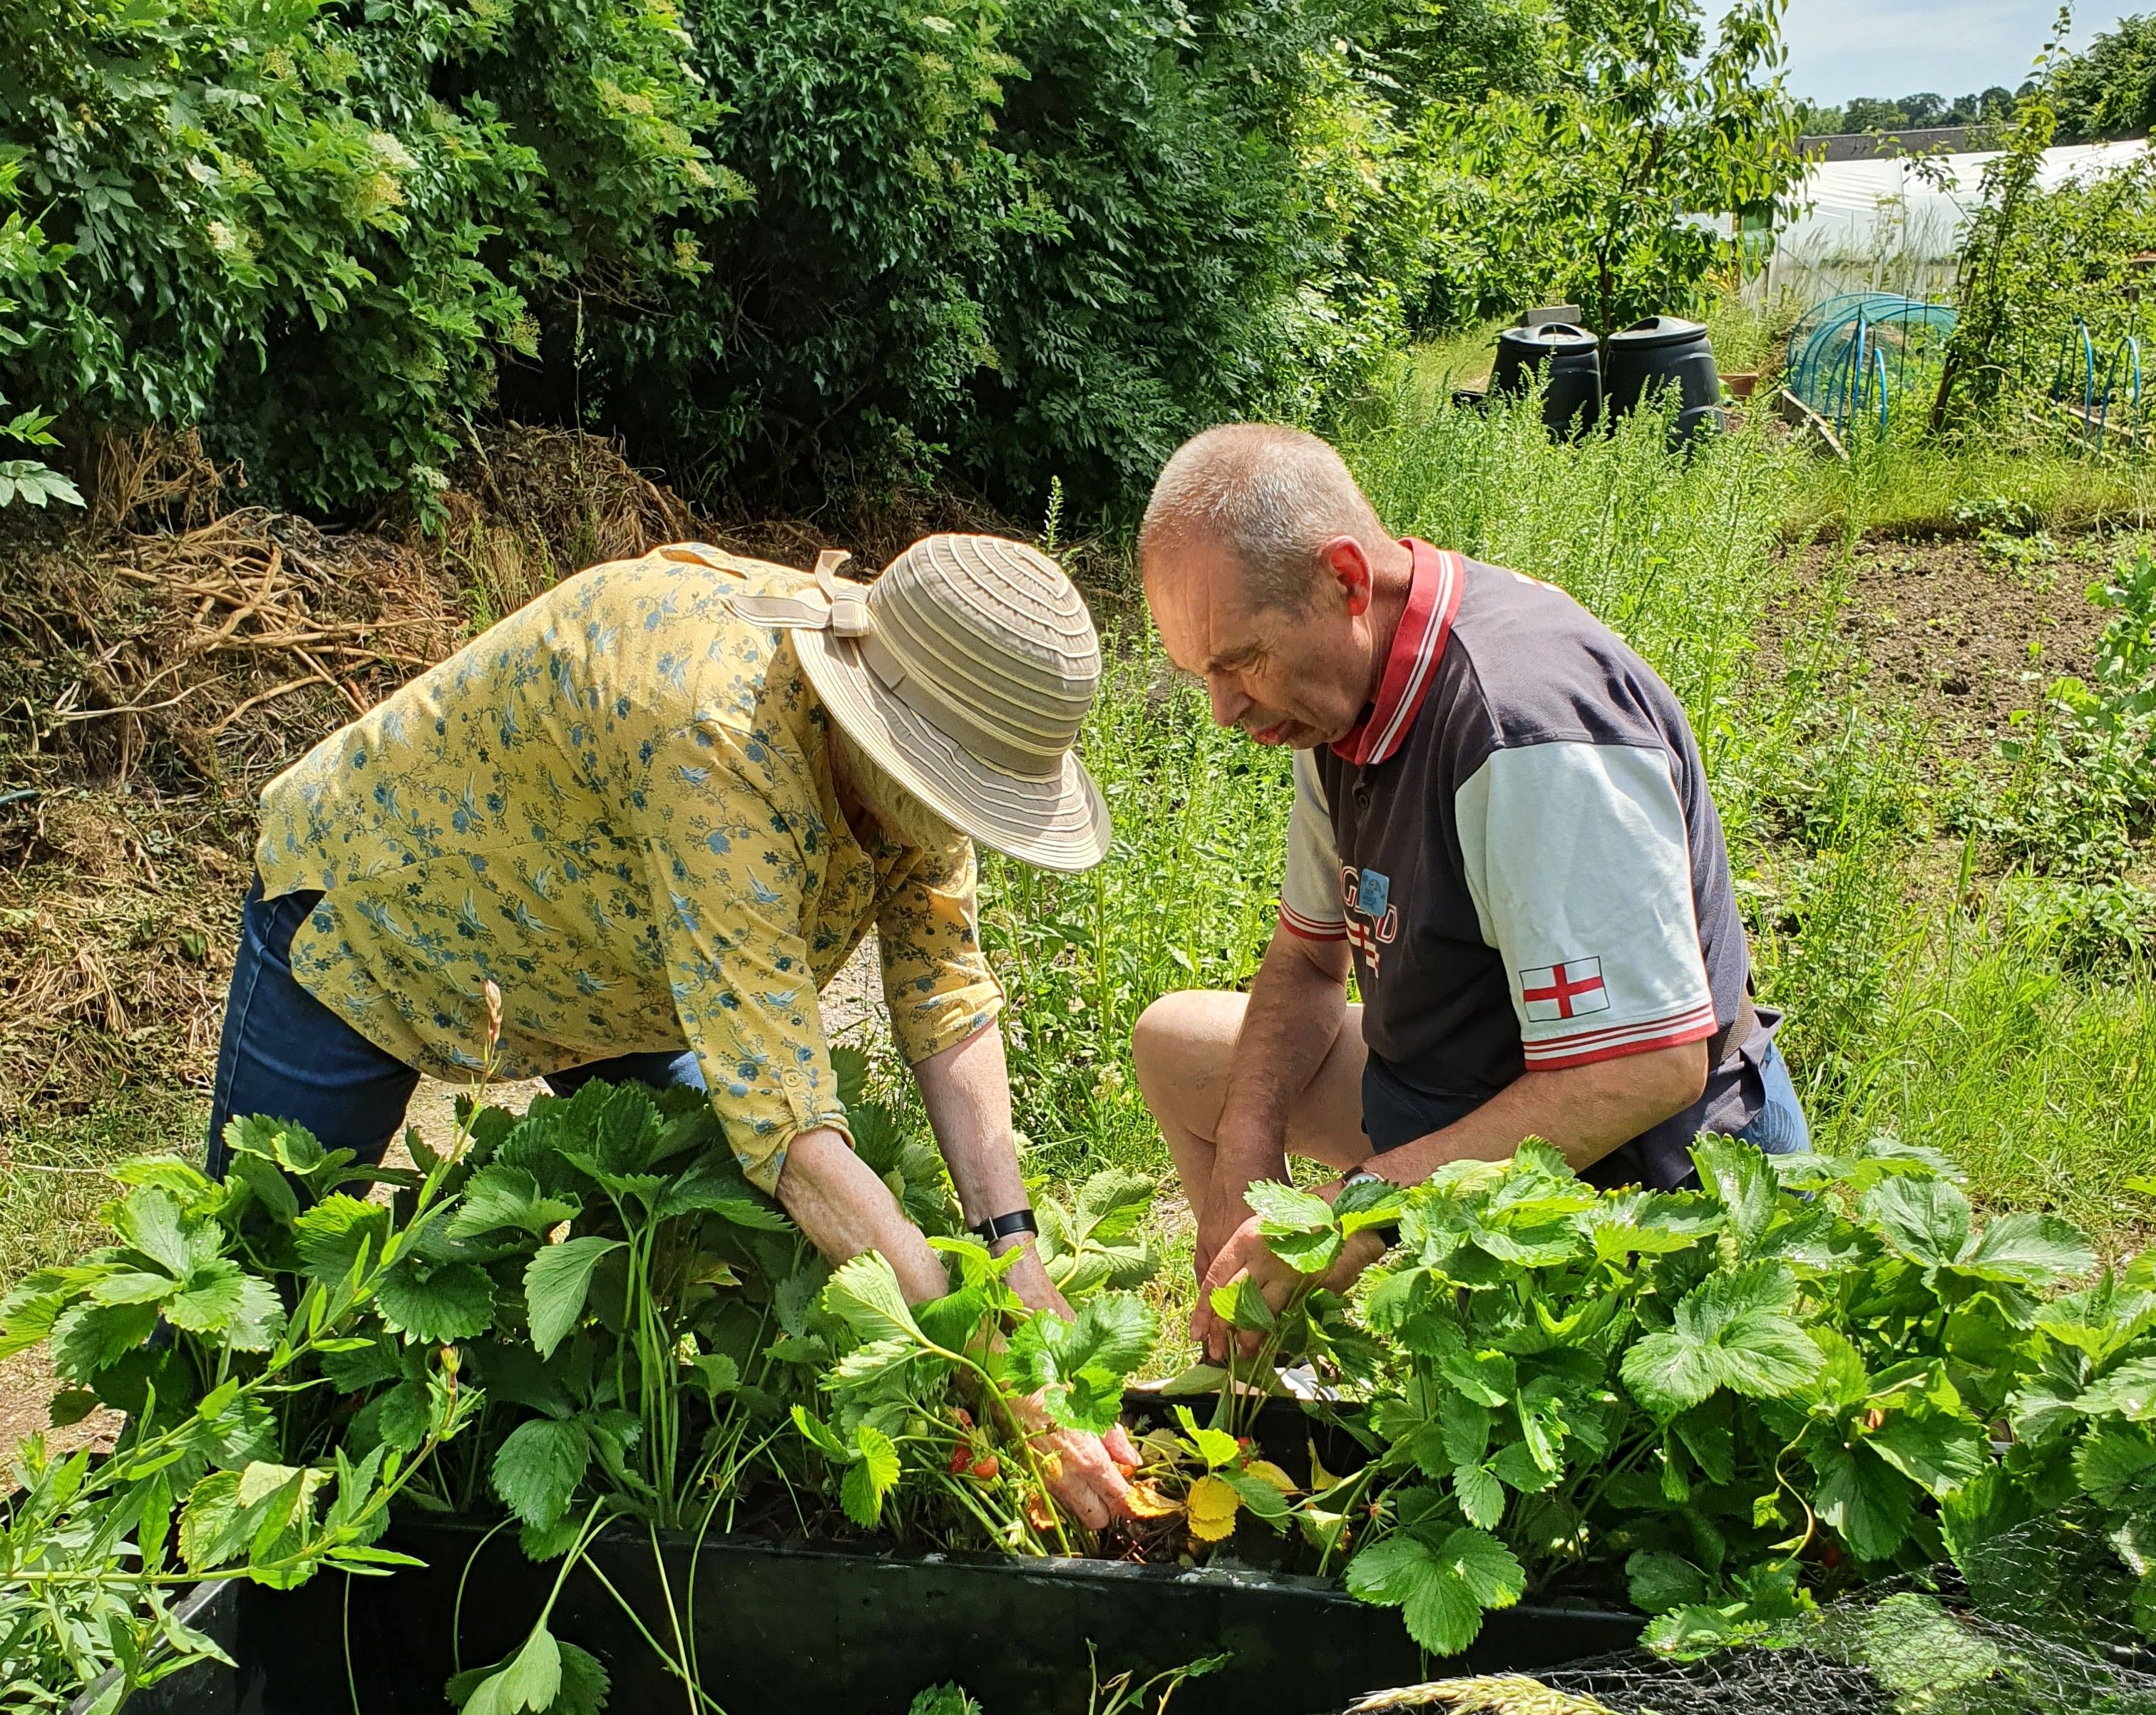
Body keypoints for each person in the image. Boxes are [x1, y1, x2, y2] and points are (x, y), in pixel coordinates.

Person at [210, 532, 1139, 1525]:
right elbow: (791, 1131)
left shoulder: (926, 747)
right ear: (878, 729)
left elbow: (945, 1000)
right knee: (255, 1310)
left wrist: (1017, 1264)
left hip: (623, 967)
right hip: (385, 914)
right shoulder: (721, 739)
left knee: (733, 1244)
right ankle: (196, 1551)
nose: (963, 819)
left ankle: (641, 1455)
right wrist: (983, 1358)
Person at [1129, 424, 1808, 1362]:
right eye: (1201, 672)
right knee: (1178, 1047)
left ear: (1347, 584)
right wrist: (1248, 1151)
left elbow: (1645, 1070)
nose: (1224, 708)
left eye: (1238, 660)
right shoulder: (1334, 702)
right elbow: (1304, 960)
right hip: (1458, 1095)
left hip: (1635, 1164)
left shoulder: (1523, 730)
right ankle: (1275, 1376)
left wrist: (1355, 1215)